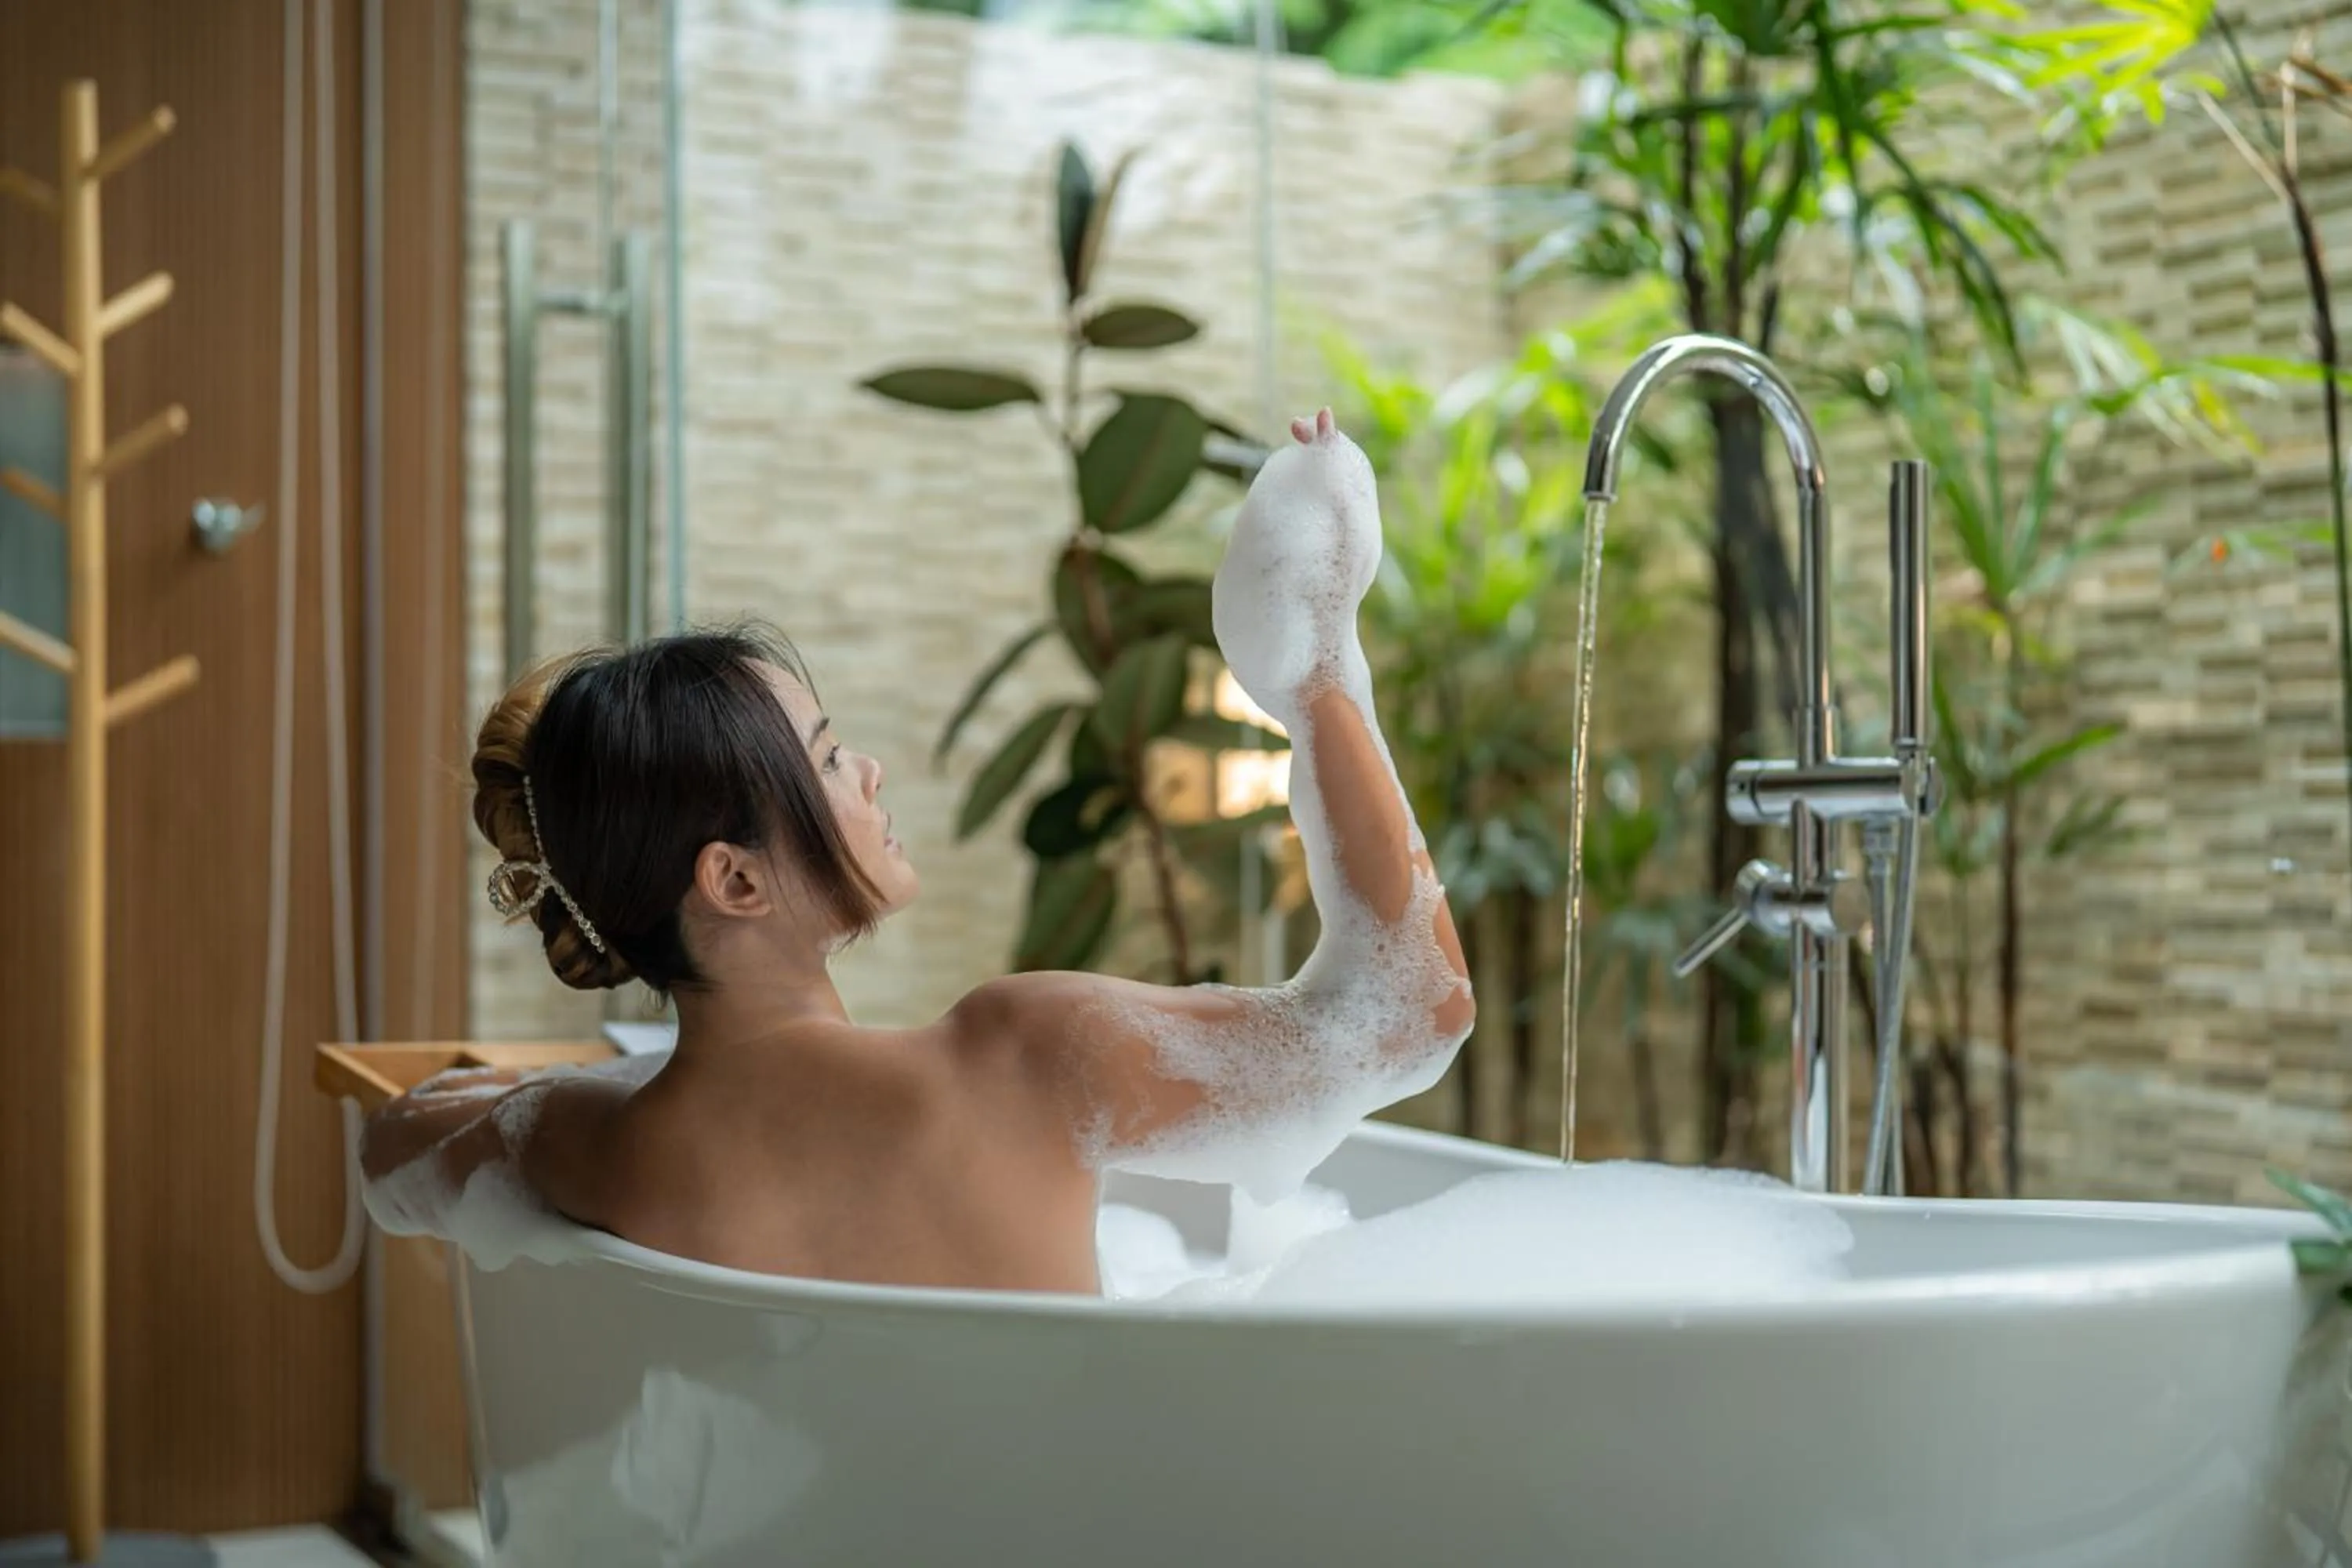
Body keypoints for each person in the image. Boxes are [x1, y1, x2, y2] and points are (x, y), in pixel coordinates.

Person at [361, 409, 1472, 1292]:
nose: (869, 773)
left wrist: (579, 1086)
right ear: (734, 879)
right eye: (831, 757)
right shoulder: (1030, 1062)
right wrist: (1317, 664)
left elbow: (392, 1139)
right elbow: (1411, 1012)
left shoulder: (604, 1146)